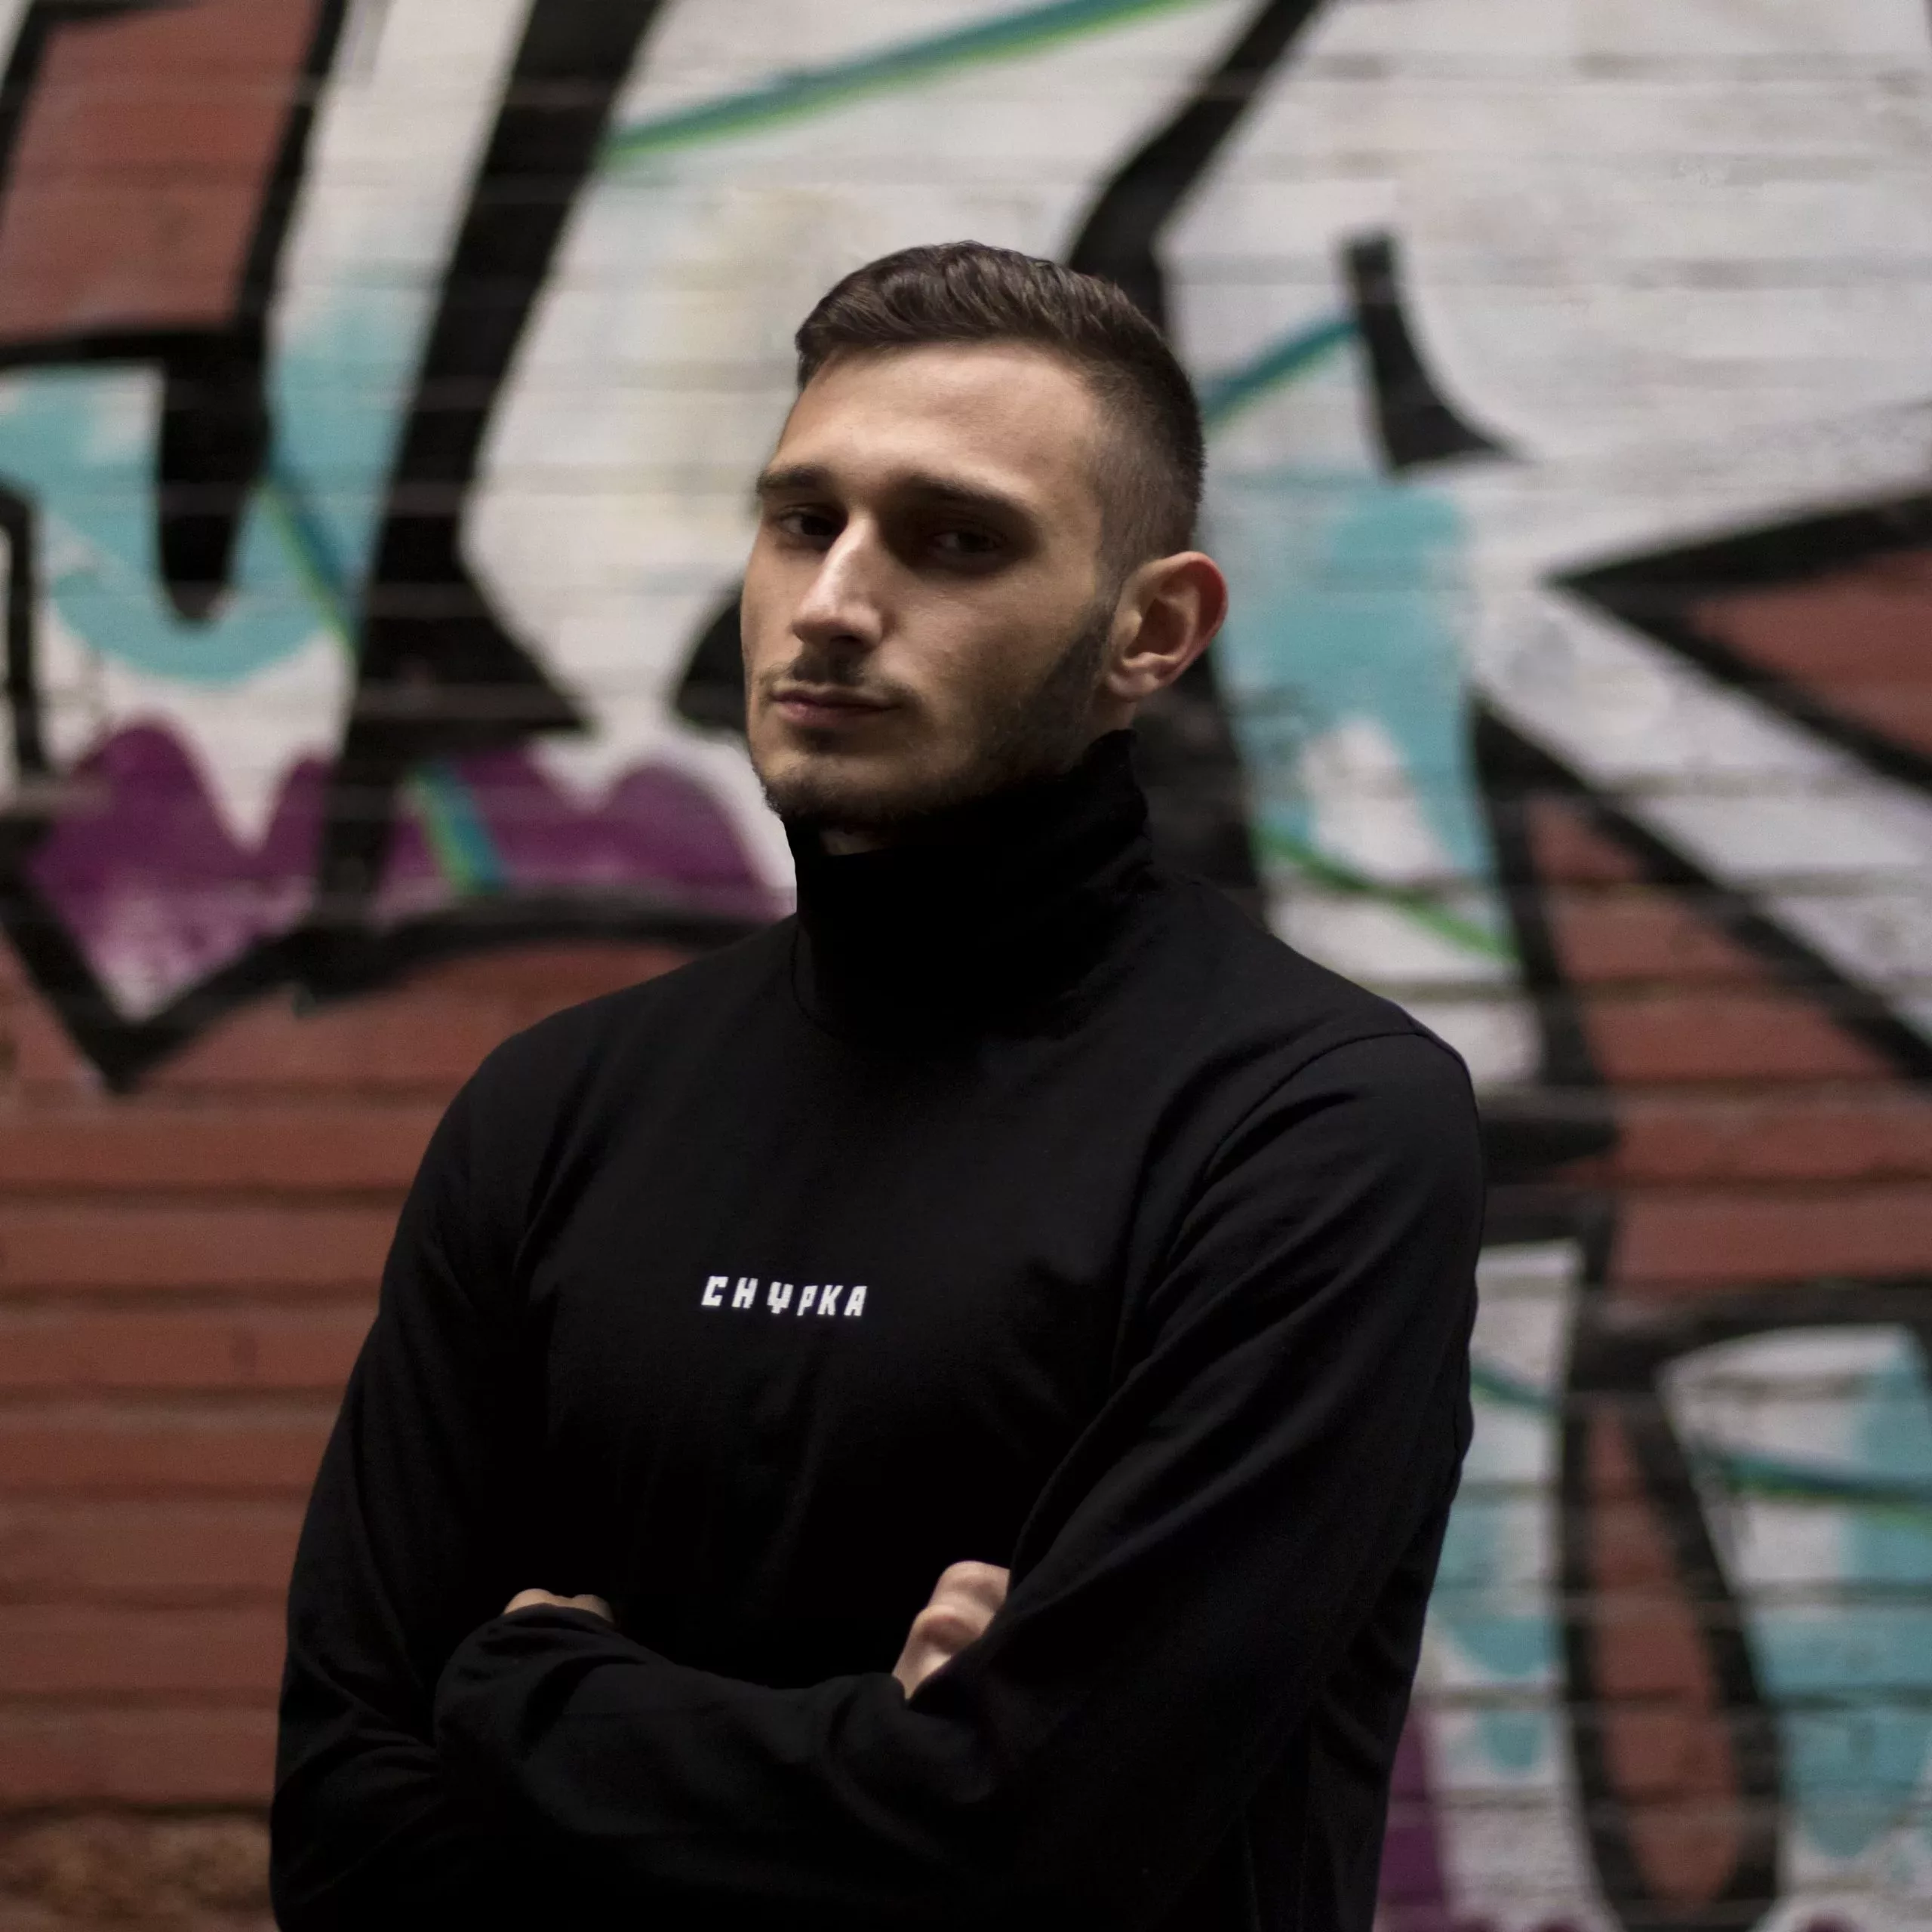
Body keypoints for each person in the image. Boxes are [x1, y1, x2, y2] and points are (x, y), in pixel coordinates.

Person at [270, 242, 1482, 1932]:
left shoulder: (1311, 1130)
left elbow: (1028, 1840)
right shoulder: (557, 1110)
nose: (834, 602)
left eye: (955, 540)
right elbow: (345, 1831)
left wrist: (529, 1694)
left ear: (1149, 631)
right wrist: (878, 1772)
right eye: (801, 520)